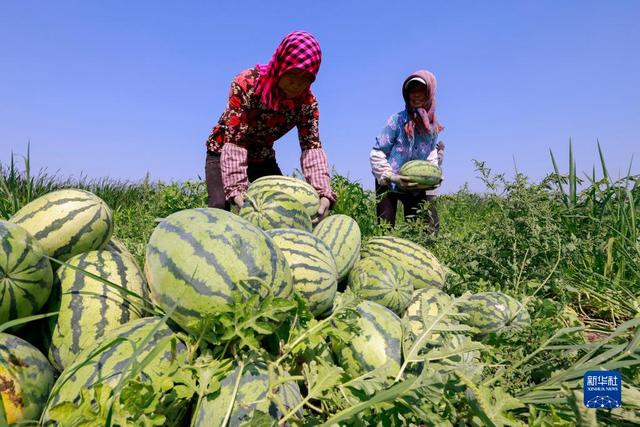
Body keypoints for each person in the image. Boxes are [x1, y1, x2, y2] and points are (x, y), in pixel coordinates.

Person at [204, 31, 335, 221]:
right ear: (282, 65)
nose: (296, 84)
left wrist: (323, 192)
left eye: (306, 78)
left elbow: (311, 147)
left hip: (261, 156)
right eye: (293, 74)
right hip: (223, 150)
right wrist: (236, 189)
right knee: (220, 208)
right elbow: (236, 139)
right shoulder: (246, 84)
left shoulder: (307, 103)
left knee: (283, 210)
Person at [369, 70, 445, 232]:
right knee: (385, 230)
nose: (416, 95)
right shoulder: (397, 121)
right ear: (406, 94)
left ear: (430, 93)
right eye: (412, 90)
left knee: (419, 231)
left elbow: (431, 154)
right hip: (388, 181)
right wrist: (392, 177)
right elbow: (377, 152)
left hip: (414, 184)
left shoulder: (432, 127)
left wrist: (434, 175)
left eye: (421, 91)